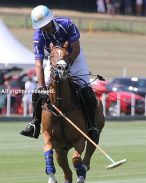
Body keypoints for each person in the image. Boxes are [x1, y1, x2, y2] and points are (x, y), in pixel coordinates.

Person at [19, 5, 99, 142]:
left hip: (74, 58)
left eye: (46, 24)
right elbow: (38, 64)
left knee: (86, 89)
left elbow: (77, 48)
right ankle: (34, 124)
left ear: (51, 19)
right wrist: (42, 85)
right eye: (41, 25)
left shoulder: (66, 24)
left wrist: (67, 66)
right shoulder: (38, 36)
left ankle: (92, 126)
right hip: (53, 62)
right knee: (38, 92)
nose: (45, 27)